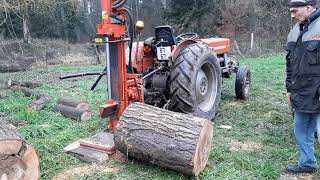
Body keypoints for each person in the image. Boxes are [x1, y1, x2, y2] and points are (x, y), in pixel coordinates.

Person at [285, 0, 320, 174]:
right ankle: (308, 163)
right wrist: (289, 89)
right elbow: (289, 65)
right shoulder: (294, 32)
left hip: (318, 89)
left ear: (308, 7)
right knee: (301, 128)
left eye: (295, 11)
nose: (292, 15)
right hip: (302, 92)